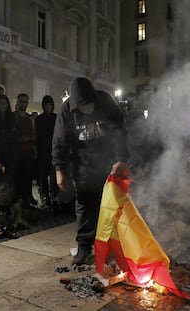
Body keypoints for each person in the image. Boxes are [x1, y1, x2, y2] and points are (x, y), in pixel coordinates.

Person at [52, 77, 129, 265]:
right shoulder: (66, 111)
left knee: (111, 206)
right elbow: (59, 142)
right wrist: (59, 170)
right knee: (85, 205)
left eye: (89, 104)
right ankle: (84, 247)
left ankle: (115, 245)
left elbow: (121, 131)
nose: (87, 109)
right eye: (82, 106)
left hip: (108, 163)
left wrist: (122, 159)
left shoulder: (106, 102)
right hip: (82, 165)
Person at [14, 93, 38, 208]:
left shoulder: (30, 118)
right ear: (18, 102)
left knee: (28, 176)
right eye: (21, 101)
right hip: (17, 151)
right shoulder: (14, 117)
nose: (23, 103)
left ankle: (27, 197)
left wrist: (30, 141)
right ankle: (18, 197)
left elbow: (34, 135)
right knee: (18, 175)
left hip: (28, 151)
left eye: (25, 101)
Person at [35, 95, 58, 208]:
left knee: (54, 175)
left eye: (49, 105)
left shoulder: (56, 117)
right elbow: (38, 135)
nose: (48, 107)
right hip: (43, 150)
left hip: (53, 150)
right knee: (44, 175)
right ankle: (46, 197)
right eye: (46, 105)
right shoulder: (39, 119)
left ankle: (55, 196)